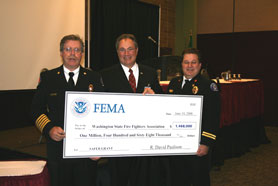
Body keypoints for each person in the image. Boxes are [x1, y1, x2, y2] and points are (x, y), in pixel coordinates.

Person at [30, 34, 104, 186]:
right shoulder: (48, 78)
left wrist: (98, 145)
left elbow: (102, 113)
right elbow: (36, 109)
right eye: (68, 49)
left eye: (77, 50)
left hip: (86, 151)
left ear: (82, 54)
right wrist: (49, 129)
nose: (72, 53)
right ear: (61, 52)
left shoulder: (94, 78)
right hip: (58, 149)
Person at [101, 34, 167, 186]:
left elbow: (162, 103)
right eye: (122, 50)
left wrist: (155, 96)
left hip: (144, 141)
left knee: (144, 180)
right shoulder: (106, 75)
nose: (126, 53)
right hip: (119, 142)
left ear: (137, 50)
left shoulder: (150, 73)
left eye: (130, 49)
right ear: (117, 52)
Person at [167, 48, 220, 186]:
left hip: (197, 146)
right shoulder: (174, 84)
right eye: (186, 62)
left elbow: (213, 117)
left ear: (200, 65)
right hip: (176, 145)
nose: (189, 66)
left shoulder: (208, 86)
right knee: (177, 179)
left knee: (199, 180)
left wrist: (206, 143)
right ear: (182, 64)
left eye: (193, 62)